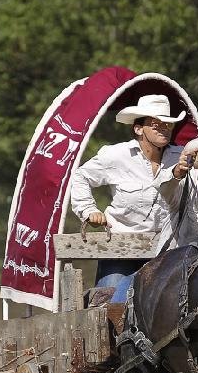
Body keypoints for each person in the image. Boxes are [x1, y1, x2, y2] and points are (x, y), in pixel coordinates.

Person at [69, 94, 186, 288]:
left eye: (168, 123)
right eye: (156, 124)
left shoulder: (182, 157)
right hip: (120, 248)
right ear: (138, 128)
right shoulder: (116, 155)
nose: (164, 128)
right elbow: (81, 176)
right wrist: (89, 210)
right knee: (112, 302)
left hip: (167, 249)